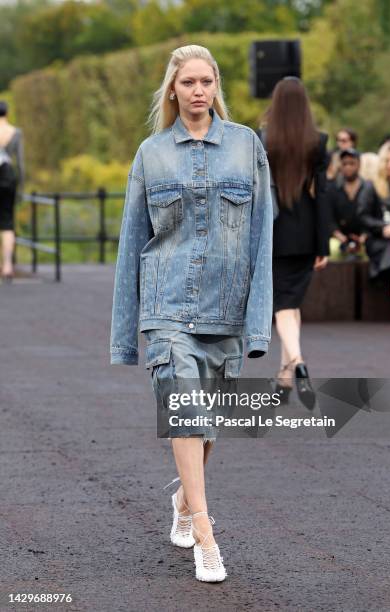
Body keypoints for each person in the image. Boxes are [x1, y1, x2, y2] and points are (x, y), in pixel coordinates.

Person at [110, 45, 274, 582]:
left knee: (206, 428)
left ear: (216, 86)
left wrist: (256, 323)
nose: (198, 91)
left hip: (225, 311)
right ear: (173, 89)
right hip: (168, 307)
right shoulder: (151, 154)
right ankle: (206, 533)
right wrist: (126, 337)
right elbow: (132, 243)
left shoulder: (246, 146)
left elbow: (261, 238)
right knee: (185, 407)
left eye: (206, 81)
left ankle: (184, 498)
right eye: (188, 83)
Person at [262, 76, 330, 409]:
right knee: (290, 305)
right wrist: (323, 245)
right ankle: (285, 378)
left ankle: (297, 363)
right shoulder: (318, 142)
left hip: (274, 234)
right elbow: (322, 196)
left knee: (284, 306)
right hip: (306, 235)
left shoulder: (264, 141)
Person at [358, 141, 390, 319]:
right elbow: (362, 216)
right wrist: (383, 228)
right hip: (380, 240)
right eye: (387, 161)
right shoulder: (372, 186)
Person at [329, 149, 368, 259]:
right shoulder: (333, 188)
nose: (348, 167)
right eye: (345, 164)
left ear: (359, 164)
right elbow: (327, 217)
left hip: (364, 238)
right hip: (338, 238)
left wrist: (364, 236)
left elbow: (374, 215)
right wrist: (338, 235)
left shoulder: (368, 188)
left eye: (352, 163)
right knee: (332, 250)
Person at [0, 100, 24, 283]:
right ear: (7, 113)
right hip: (8, 176)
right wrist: (21, 187)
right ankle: (7, 265)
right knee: (7, 222)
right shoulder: (15, 132)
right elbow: (21, 164)